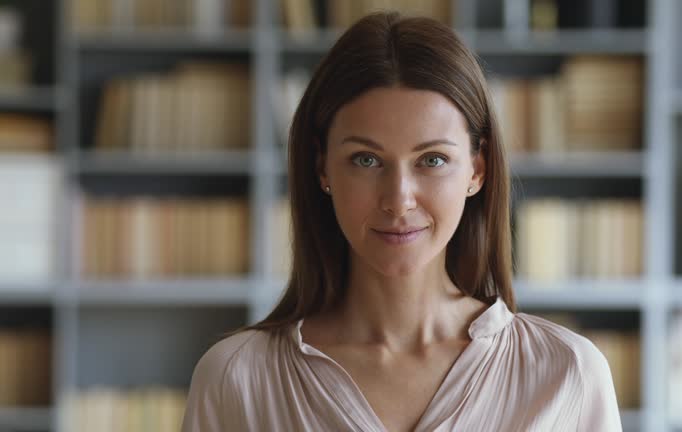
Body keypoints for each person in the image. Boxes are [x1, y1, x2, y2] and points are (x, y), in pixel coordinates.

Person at [181, 11, 622, 432]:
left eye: (432, 159)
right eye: (366, 159)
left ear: (477, 170)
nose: (398, 200)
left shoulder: (568, 375)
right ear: (322, 169)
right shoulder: (236, 379)